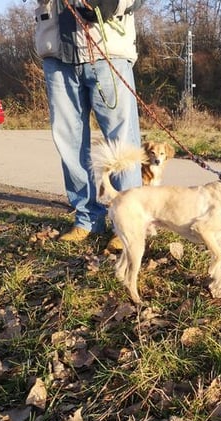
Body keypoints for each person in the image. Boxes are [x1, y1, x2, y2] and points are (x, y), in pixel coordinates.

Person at [32, 0, 145, 249]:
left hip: (109, 52)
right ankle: (87, 218)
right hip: (57, 55)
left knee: (122, 140)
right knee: (69, 141)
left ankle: (128, 221)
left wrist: (111, 3)